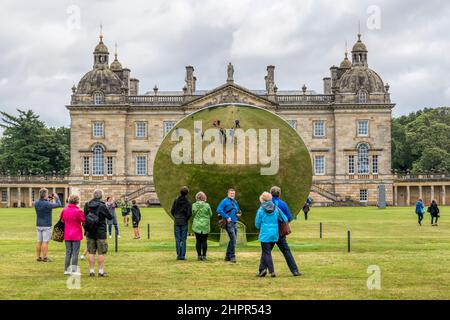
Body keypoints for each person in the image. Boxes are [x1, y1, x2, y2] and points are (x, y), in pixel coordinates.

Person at [255, 192, 287, 278]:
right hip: (274, 233)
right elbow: (284, 218)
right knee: (266, 252)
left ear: (263, 200)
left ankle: (272, 271)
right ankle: (262, 270)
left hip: (265, 233)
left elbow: (257, 224)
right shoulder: (276, 208)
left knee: (266, 252)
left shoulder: (261, 210)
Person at [270, 186, 301, 276]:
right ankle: (294, 270)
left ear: (270, 193)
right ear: (279, 194)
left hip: (270, 230)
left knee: (267, 252)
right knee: (286, 251)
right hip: (280, 230)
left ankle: (262, 270)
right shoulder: (283, 204)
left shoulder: (267, 203)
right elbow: (289, 217)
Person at [83, 189, 113, 277]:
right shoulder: (102, 206)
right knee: (101, 252)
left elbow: (85, 216)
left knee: (91, 252)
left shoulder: (87, 204)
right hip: (100, 231)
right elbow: (110, 217)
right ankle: (100, 271)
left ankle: (91, 271)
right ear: (101, 196)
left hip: (90, 231)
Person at [34, 188, 62, 262]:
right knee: (45, 242)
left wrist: (51, 197)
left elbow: (45, 201)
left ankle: (38, 257)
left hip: (38, 224)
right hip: (46, 225)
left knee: (39, 241)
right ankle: (45, 257)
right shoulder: (47, 204)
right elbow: (59, 204)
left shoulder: (36, 203)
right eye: (47, 194)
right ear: (45, 195)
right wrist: (57, 198)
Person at [60, 195, 85, 275]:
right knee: (75, 253)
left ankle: (66, 270)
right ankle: (74, 270)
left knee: (68, 252)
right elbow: (84, 220)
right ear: (77, 202)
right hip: (76, 234)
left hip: (67, 233)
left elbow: (62, 220)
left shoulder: (64, 210)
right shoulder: (79, 211)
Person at [217, 188, 241, 263]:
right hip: (228, 223)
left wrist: (239, 213)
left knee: (232, 240)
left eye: (233, 193)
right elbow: (218, 210)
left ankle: (227, 256)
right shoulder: (224, 201)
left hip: (234, 222)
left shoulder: (235, 201)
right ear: (228, 194)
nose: (232, 195)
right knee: (233, 240)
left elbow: (238, 210)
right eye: (231, 193)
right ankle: (232, 257)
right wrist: (227, 217)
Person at [171, 186, 192, 260]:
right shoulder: (188, 202)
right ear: (187, 193)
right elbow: (189, 213)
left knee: (177, 239)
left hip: (177, 221)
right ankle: (182, 255)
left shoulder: (176, 200)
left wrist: (176, 217)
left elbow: (172, 210)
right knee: (183, 239)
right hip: (184, 221)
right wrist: (186, 219)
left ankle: (178, 254)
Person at [192, 192, 213, 261]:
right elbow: (210, 214)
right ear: (204, 197)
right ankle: (204, 256)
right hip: (205, 225)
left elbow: (192, 214)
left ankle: (199, 256)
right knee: (204, 241)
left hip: (197, 224)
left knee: (198, 241)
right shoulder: (207, 205)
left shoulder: (194, 205)